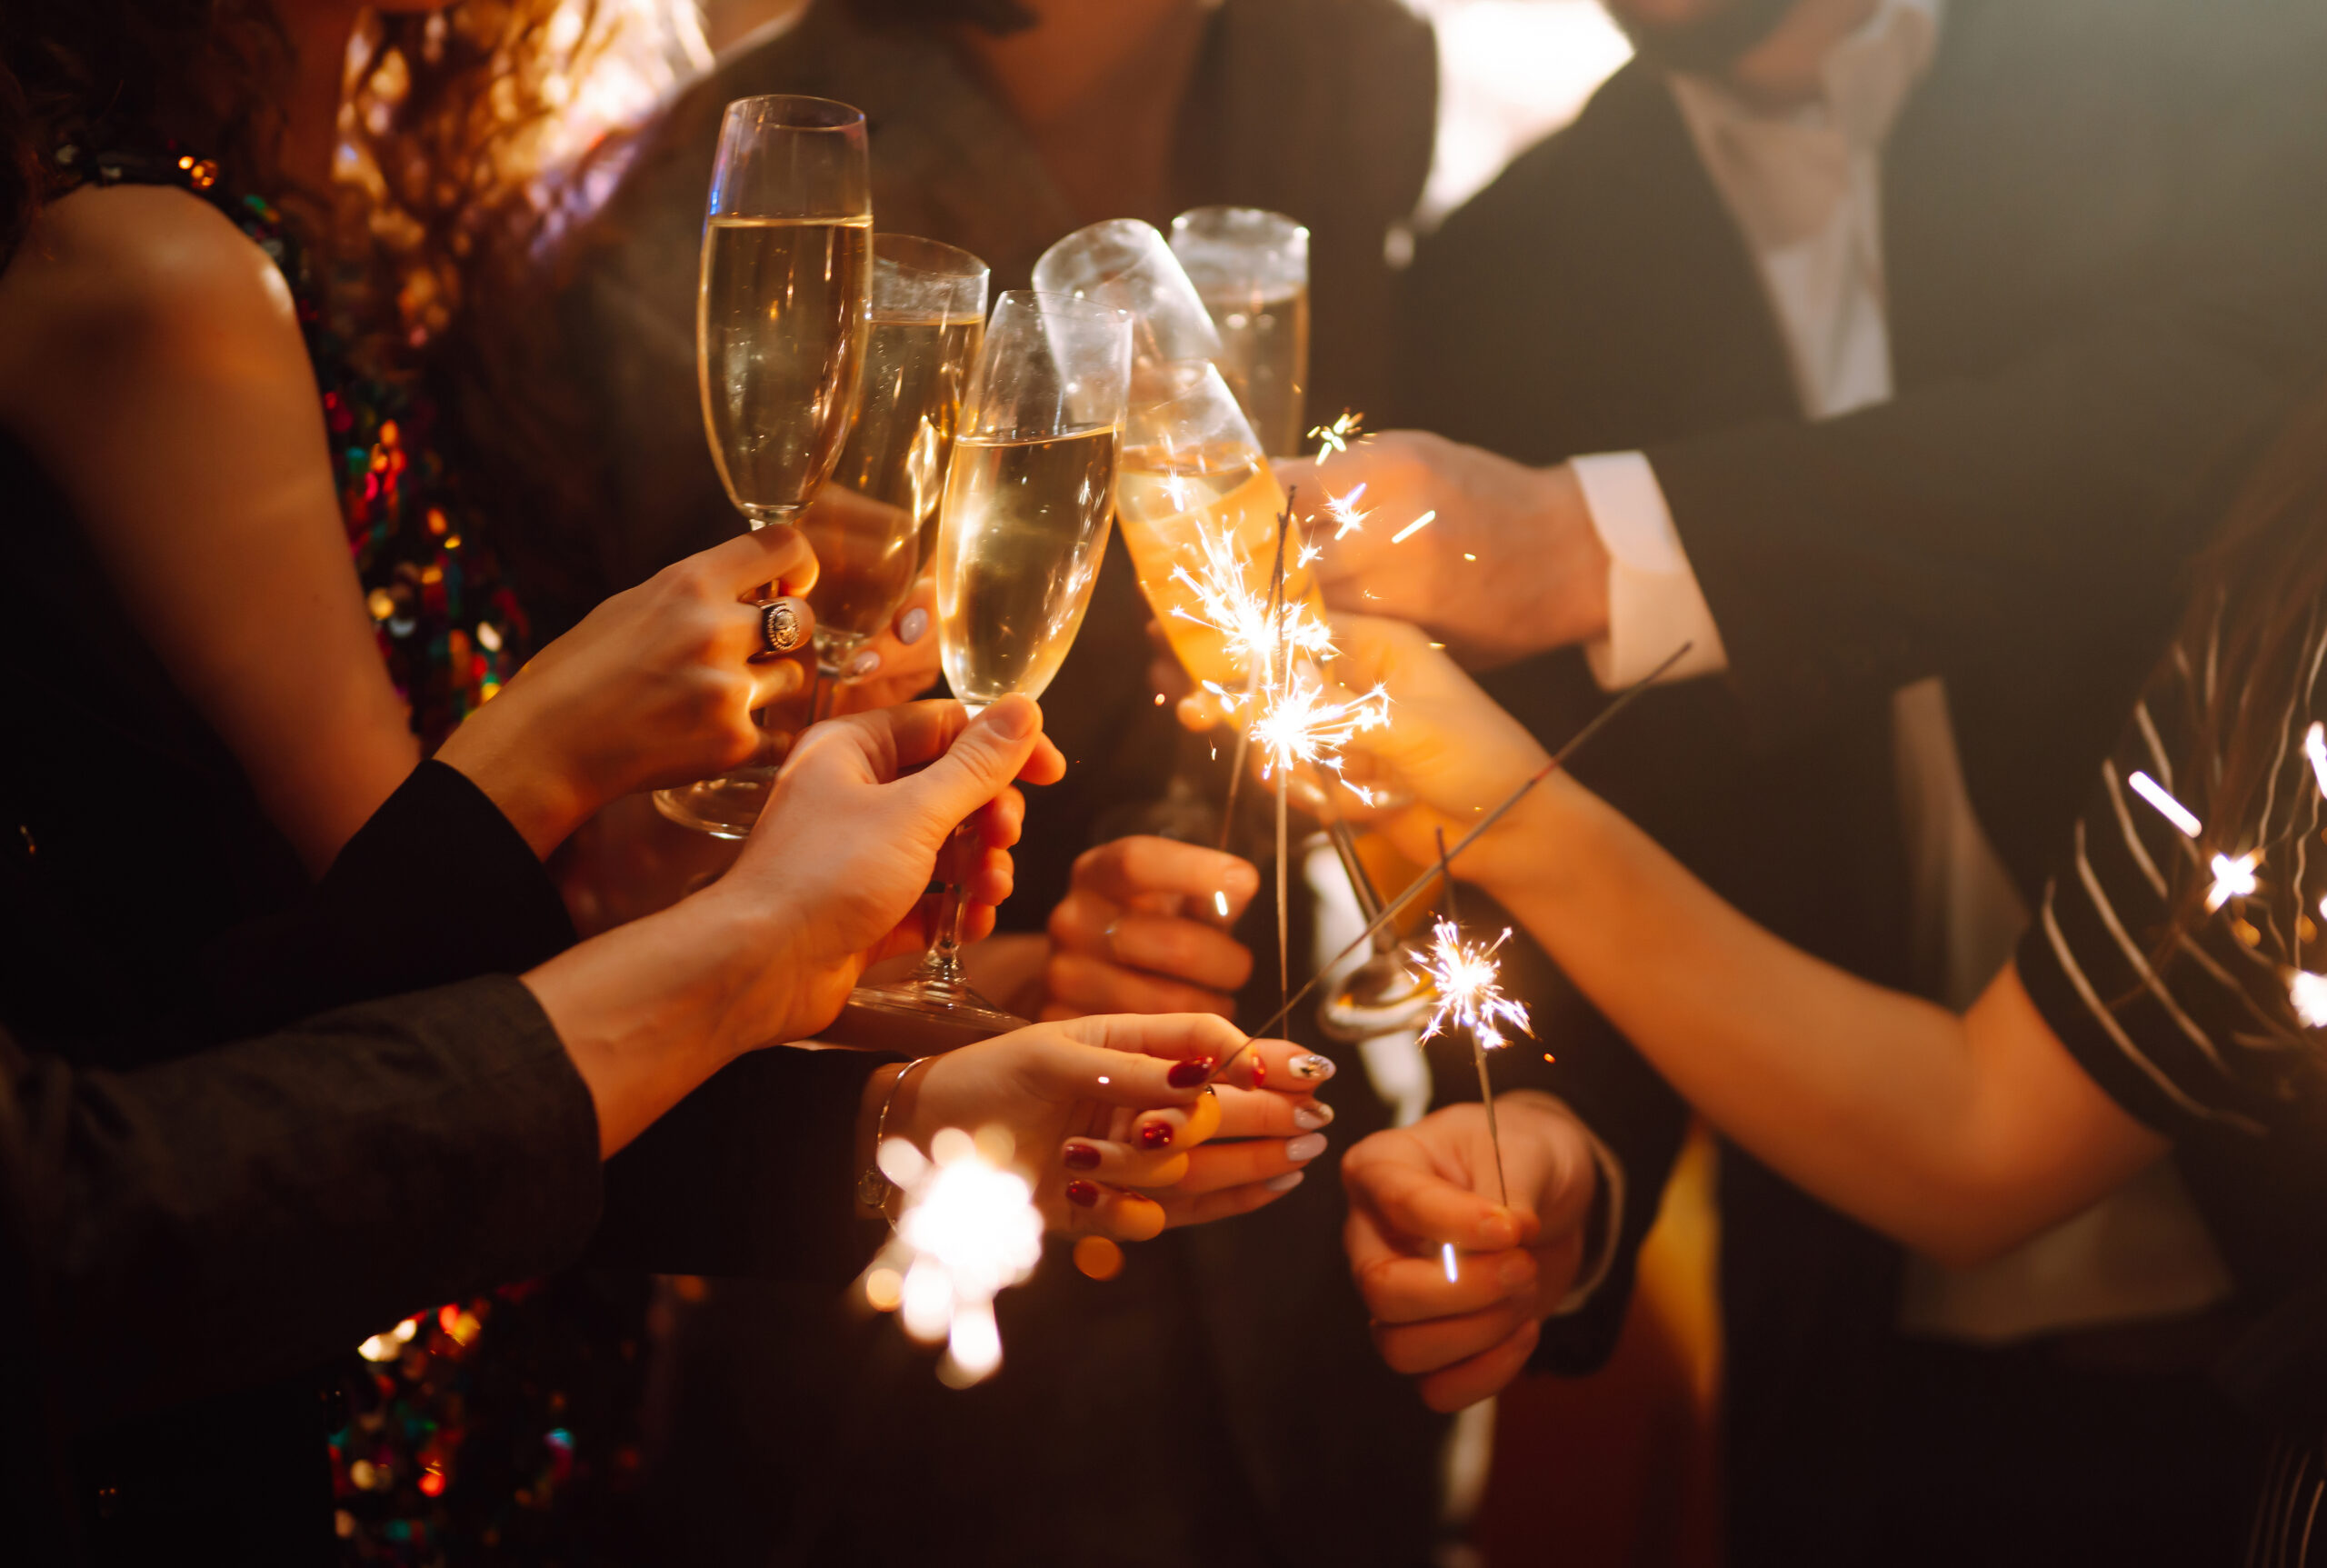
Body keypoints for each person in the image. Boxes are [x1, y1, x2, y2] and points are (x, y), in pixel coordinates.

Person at [1265, 0, 2327, 1558]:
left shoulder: (2220, 53)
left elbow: (2186, 451)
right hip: (1838, 1367)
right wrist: (1565, 1150)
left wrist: (1588, 541)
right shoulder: (1509, 269)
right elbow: (1579, 853)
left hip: (2263, 1323)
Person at [515, 3, 1451, 1562]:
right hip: (894, 1288)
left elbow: (1298, 559)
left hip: (1292, 1248)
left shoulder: (1352, 64)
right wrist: (984, 954)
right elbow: (625, 862)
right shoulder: (749, 165)